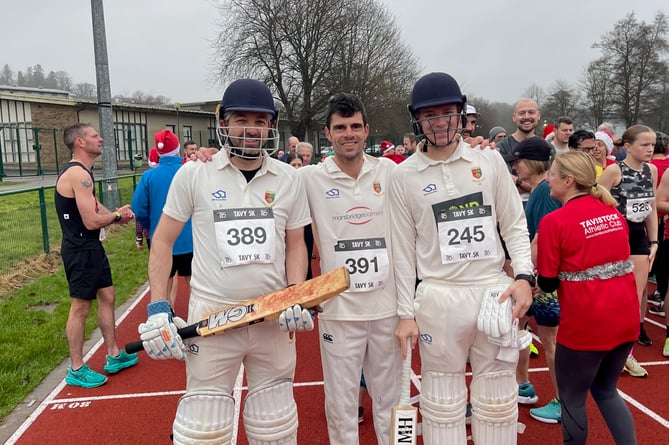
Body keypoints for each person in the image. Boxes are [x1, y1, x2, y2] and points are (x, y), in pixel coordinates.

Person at [138, 78, 312, 444]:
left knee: (276, 424)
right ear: (224, 124)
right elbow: (163, 241)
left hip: (271, 316)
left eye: (260, 119)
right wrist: (158, 307)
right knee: (204, 428)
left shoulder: (289, 178)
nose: (251, 128)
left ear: (271, 125)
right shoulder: (195, 172)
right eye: (241, 119)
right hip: (212, 316)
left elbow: (296, 244)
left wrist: (295, 292)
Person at [390, 72, 534, 444]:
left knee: (498, 399)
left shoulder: (487, 161)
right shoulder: (403, 176)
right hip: (439, 295)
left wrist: (524, 278)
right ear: (417, 119)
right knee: (441, 400)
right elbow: (402, 249)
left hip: (492, 293)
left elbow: (514, 225)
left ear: (461, 114)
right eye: (430, 115)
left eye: (447, 113)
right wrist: (405, 313)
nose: (439, 122)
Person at [299, 93, 401, 444]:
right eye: (340, 127)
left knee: (392, 400)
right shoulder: (311, 178)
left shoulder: (388, 171)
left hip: (387, 308)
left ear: (367, 130)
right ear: (327, 134)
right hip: (339, 311)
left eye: (355, 126)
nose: (349, 133)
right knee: (341, 405)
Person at [537, 150, 639, 445]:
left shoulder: (554, 222)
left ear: (568, 180)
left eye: (552, 174)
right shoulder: (612, 212)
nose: (548, 179)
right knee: (607, 389)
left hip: (586, 324)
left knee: (572, 399)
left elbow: (547, 281)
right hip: (625, 316)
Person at [55, 123, 138, 388]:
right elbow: (91, 221)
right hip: (79, 248)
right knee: (80, 307)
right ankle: (77, 368)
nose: (100, 139)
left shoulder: (83, 175)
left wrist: (117, 214)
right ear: (80, 142)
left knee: (108, 295)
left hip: (90, 247)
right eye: (94, 136)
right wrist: (115, 217)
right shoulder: (79, 174)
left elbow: (93, 205)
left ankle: (113, 354)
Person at [505, 137, 563, 424]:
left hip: (540, 280)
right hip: (538, 278)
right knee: (520, 329)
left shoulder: (544, 195)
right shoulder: (541, 190)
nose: (514, 166)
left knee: (550, 343)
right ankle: (523, 384)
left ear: (531, 163)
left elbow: (543, 239)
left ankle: (562, 402)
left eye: (517, 161)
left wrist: (527, 276)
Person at [599, 125, 657, 376]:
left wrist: (654, 242)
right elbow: (595, 204)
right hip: (613, 235)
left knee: (635, 295)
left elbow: (651, 207)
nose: (650, 149)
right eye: (645, 144)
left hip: (638, 237)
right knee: (610, 294)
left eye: (652, 144)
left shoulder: (651, 170)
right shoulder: (614, 171)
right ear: (628, 146)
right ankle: (602, 347)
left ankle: (626, 354)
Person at [132, 129, 194, 314]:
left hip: (160, 236)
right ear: (177, 149)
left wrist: (149, 225)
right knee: (194, 280)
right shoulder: (189, 171)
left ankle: (167, 317)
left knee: (164, 280)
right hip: (189, 236)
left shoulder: (149, 176)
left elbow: (139, 208)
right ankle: (198, 316)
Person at [497, 98, 542, 196]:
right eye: (522, 113)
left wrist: (517, 181)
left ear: (538, 116)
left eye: (531, 112)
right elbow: (503, 184)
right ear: (514, 117)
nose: (527, 117)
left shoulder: (546, 147)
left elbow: (550, 185)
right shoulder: (501, 148)